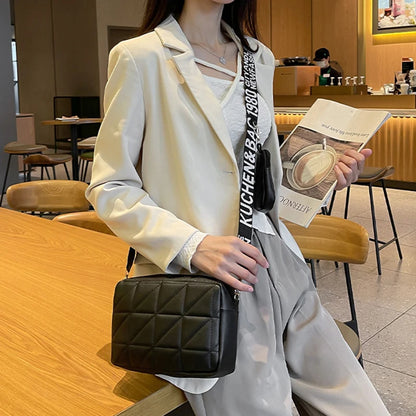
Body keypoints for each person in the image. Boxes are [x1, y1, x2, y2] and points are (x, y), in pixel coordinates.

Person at [86, 1, 390, 415]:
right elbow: (111, 186)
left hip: (279, 263)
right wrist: (192, 245)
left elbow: (255, 172)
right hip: (207, 282)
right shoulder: (140, 57)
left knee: (361, 406)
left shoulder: (257, 56)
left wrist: (321, 173)